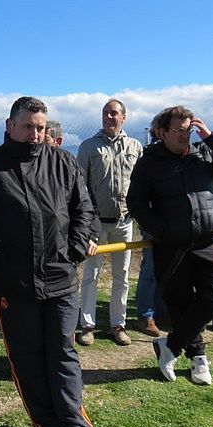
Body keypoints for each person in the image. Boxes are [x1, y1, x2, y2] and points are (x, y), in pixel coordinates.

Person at [0, 96, 99, 427]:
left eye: (40, 127)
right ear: (10, 126)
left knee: (62, 352)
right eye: (27, 126)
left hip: (61, 278)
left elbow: (83, 209)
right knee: (27, 357)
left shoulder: (63, 162)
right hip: (14, 283)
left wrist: (75, 248)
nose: (35, 134)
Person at [127, 106, 213, 385]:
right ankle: (198, 356)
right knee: (180, 304)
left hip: (208, 242)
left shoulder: (203, 154)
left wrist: (212, 137)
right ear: (162, 132)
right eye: (178, 130)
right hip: (172, 246)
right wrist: (162, 230)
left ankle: (171, 345)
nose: (185, 135)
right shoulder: (149, 162)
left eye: (188, 129)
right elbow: (136, 203)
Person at [76, 99, 143, 345]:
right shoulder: (88, 147)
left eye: (114, 113)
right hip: (97, 224)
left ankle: (118, 325)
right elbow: (79, 186)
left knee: (122, 276)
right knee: (91, 274)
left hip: (124, 222)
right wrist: (86, 221)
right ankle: (87, 326)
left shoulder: (135, 146)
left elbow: (141, 183)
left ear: (123, 117)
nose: (109, 117)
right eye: (105, 113)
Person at [134, 115, 169, 335]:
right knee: (150, 270)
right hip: (154, 224)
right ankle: (145, 315)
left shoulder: (181, 157)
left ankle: (162, 310)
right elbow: (139, 197)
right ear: (160, 132)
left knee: (166, 271)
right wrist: (151, 223)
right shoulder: (148, 158)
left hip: (174, 226)